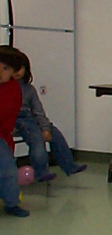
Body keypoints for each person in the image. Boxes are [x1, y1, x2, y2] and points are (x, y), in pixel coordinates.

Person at [12, 50, 87, 182]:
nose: (17, 72)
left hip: (30, 118)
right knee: (37, 139)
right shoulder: (5, 88)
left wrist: (46, 127)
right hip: (16, 120)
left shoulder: (29, 89)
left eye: (21, 67)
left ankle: (69, 166)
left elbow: (38, 111)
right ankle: (40, 172)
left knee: (55, 134)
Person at [0, 46, 28, 217]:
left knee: (9, 170)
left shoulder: (13, 89)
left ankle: (11, 203)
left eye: (5, 68)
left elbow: (7, 115)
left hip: (1, 136)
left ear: (14, 72)